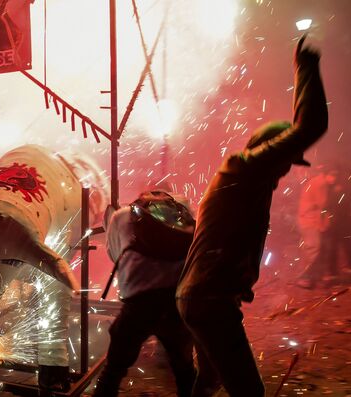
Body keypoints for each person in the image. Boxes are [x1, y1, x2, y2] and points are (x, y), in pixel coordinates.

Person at [176, 35, 328, 397]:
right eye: (287, 160)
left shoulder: (243, 179)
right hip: (209, 301)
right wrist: (306, 66)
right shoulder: (243, 169)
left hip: (201, 299)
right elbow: (310, 126)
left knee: (210, 381)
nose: (288, 169)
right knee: (249, 391)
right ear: (269, 153)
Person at [94, 190, 219, 397]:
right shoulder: (182, 216)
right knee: (184, 370)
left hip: (139, 303)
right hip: (177, 301)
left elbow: (114, 254)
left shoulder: (121, 216)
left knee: (114, 370)